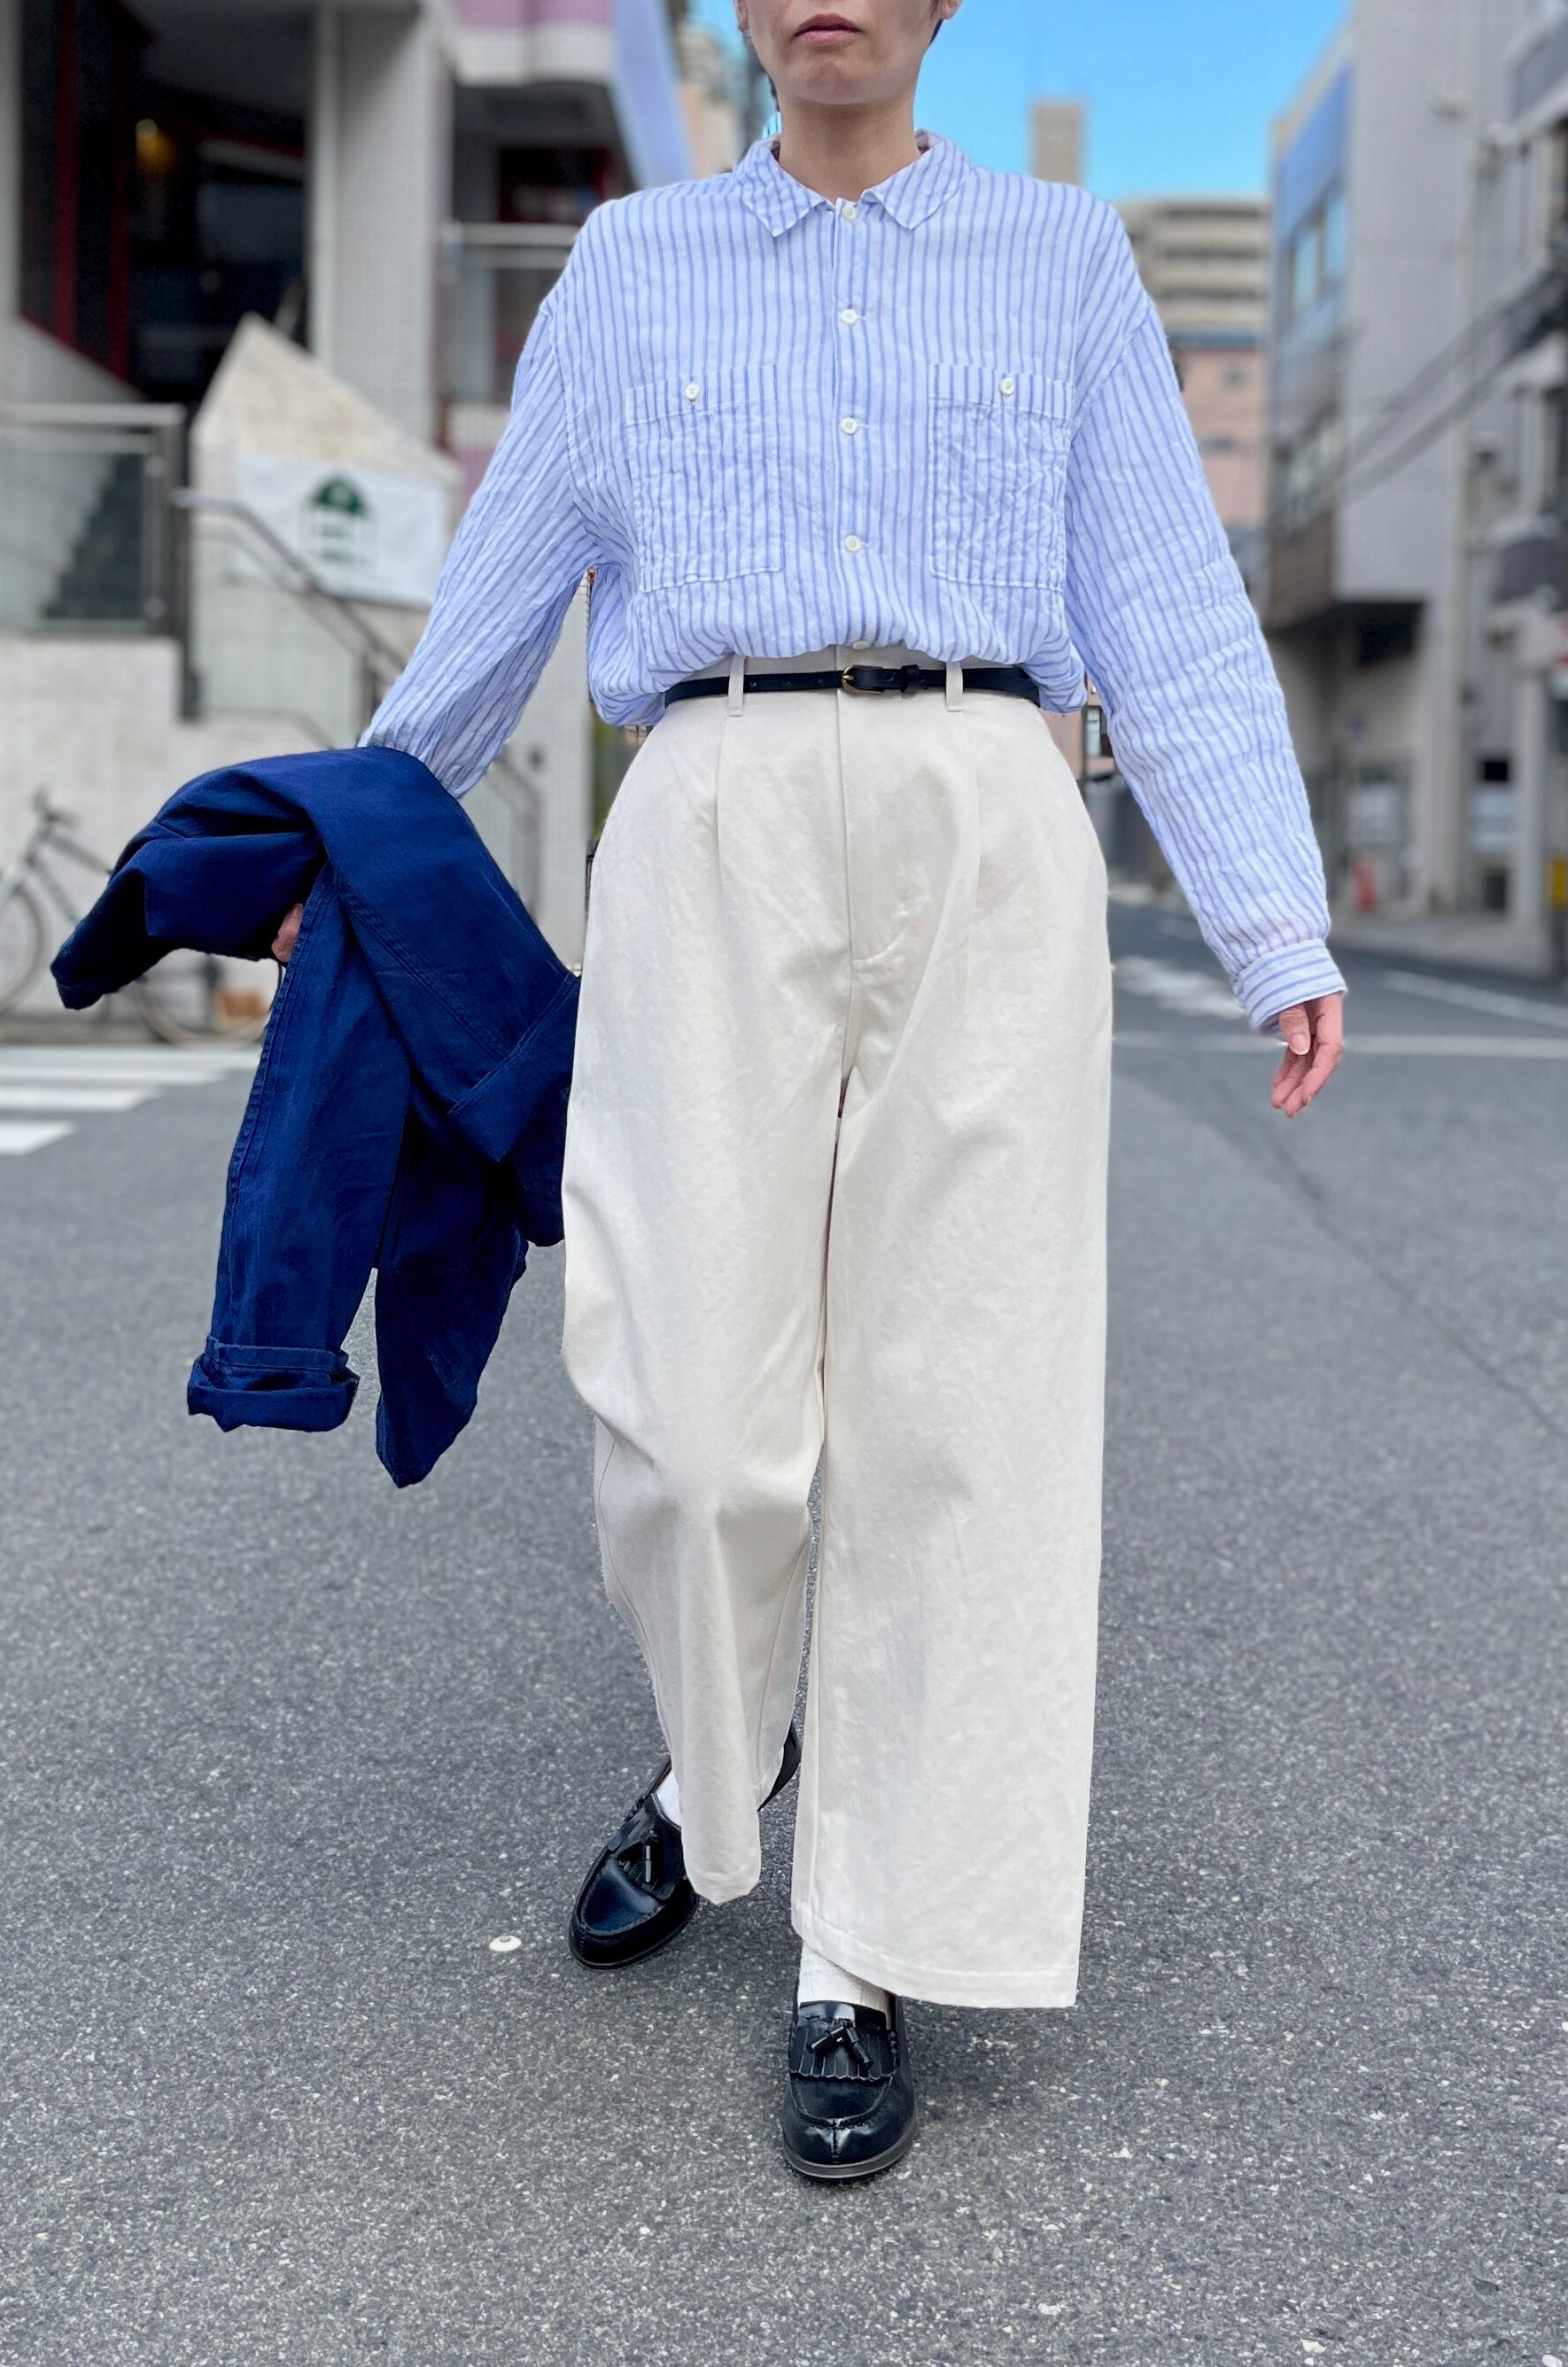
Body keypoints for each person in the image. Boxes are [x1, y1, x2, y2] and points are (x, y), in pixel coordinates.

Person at [277, 0, 1347, 2182]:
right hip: (710, 804)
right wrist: (359, 842)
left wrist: (1272, 918)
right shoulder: (632, 264)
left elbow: (1162, 591)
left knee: (962, 1411)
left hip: (986, 798)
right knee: (685, 1412)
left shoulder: (1060, 256)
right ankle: (717, 1760)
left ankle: (863, 1950)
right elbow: (499, 587)